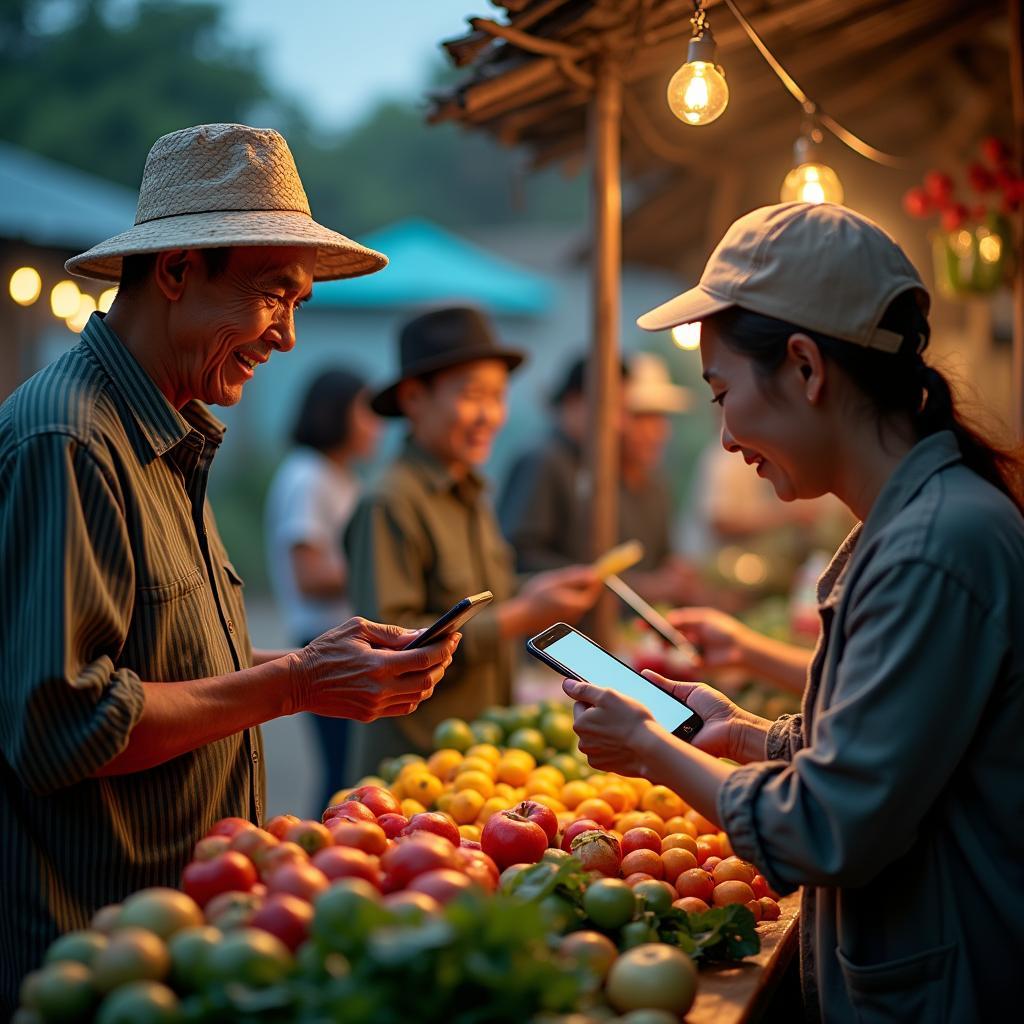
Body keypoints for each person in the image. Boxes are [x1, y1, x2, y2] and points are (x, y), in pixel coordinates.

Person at [0, 123, 458, 1012]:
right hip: (97, 956)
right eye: (273, 296)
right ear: (176, 272)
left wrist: (317, 664)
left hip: (180, 935)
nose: (285, 336)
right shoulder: (73, 438)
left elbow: (161, 674)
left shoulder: (169, 431)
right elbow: (66, 723)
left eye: (299, 304)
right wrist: (292, 682)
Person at [564, 202, 1024, 1023]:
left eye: (720, 391)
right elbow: (900, 755)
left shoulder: (933, 545)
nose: (729, 434)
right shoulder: (923, 524)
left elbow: (826, 829)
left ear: (806, 369)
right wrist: (747, 735)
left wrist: (647, 746)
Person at [344, 307, 601, 779]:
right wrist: (523, 615)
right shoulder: (389, 502)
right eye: (472, 395)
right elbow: (388, 646)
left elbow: (480, 599)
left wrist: (537, 589)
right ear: (415, 398)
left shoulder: (473, 492)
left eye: (499, 397)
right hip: (412, 766)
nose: (490, 415)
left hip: (478, 759)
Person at [265, 368, 380, 811]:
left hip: (341, 637)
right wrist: (380, 569)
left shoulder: (338, 476)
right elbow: (308, 574)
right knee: (341, 772)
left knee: (347, 771)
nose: (378, 426)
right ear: (336, 414)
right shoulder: (308, 476)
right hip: (322, 640)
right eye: (367, 413)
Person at [499, 352, 626, 572]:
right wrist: (590, 576)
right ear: (574, 400)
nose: (619, 423)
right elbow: (520, 553)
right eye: (613, 406)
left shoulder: (585, 461)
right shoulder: (541, 460)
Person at [616, 352, 701, 606]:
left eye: (660, 418)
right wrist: (644, 587)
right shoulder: (590, 484)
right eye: (642, 418)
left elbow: (664, 554)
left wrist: (676, 572)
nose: (656, 432)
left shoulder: (657, 485)